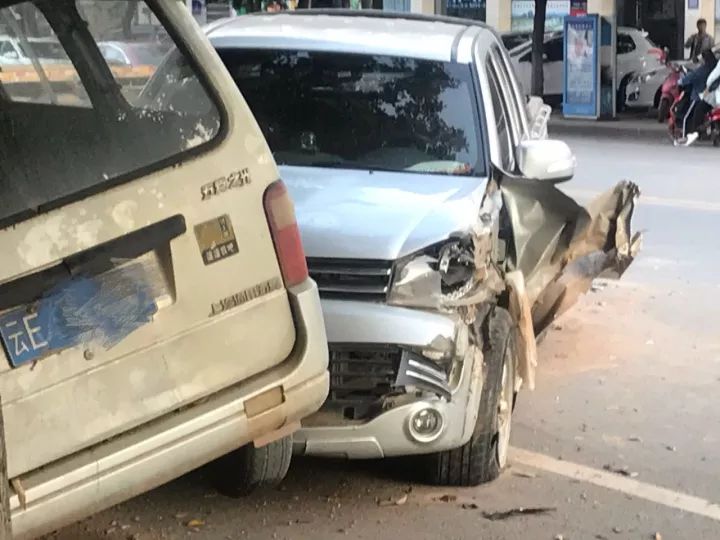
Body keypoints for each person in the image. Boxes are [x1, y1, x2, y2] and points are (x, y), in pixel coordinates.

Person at [675, 50, 718, 145]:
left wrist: (680, 81)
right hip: (712, 97)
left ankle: (685, 137)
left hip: (699, 96)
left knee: (686, 117)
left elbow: (689, 78)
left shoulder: (702, 70)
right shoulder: (713, 67)